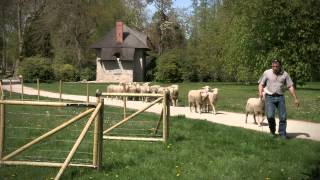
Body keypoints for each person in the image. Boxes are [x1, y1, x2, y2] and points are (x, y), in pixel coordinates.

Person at [258, 59, 299, 138]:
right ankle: (272, 132)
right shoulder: (267, 73)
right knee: (270, 116)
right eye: (273, 66)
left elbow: (290, 86)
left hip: (280, 97)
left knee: (283, 117)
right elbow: (261, 84)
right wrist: (260, 93)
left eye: (276, 66)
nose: (274, 68)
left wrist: (295, 98)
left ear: (280, 66)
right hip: (269, 97)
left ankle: (282, 133)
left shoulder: (285, 74)